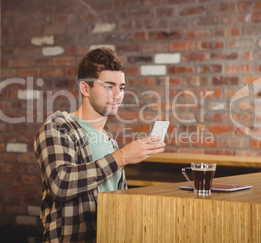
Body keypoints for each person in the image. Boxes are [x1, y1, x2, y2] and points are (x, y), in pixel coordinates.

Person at [34, 47, 166, 242]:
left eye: (121, 87)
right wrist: (122, 157)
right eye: (108, 86)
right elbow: (61, 184)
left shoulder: (109, 141)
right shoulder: (59, 126)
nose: (117, 94)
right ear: (85, 88)